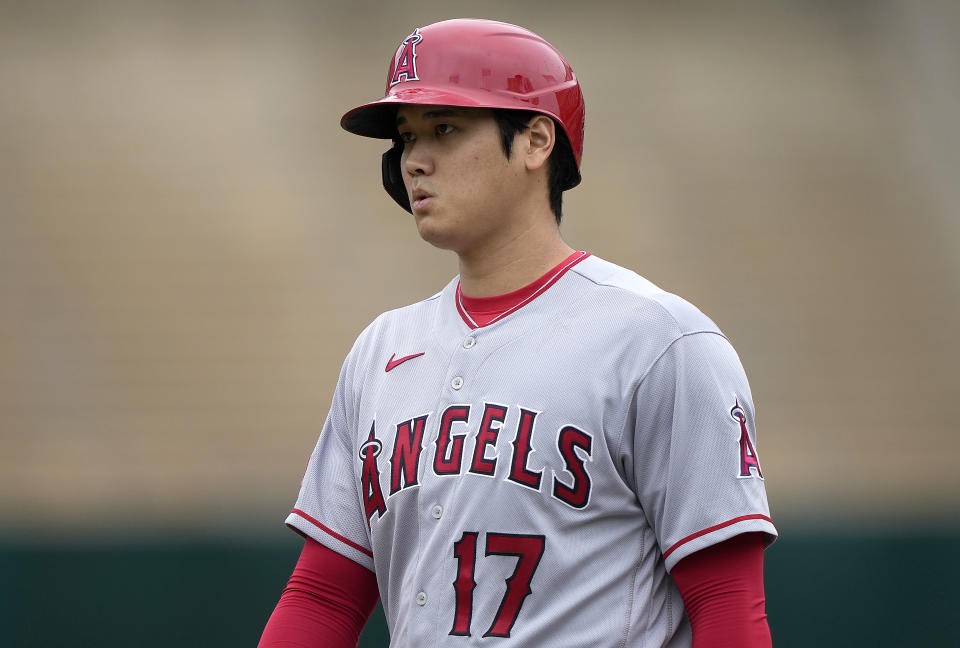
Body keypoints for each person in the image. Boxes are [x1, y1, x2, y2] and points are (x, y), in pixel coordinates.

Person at [259, 18, 776, 647]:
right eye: (406, 137)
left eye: (444, 129)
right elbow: (323, 597)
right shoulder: (381, 351)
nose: (413, 160)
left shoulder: (658, 341)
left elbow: (726, 602)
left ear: (535, 141)